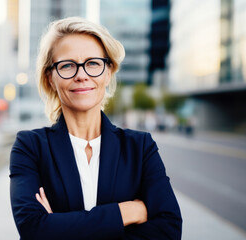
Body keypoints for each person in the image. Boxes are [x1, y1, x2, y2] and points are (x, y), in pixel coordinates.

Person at [10, 17, 182, 240]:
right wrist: (126, 212)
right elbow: (34, 230)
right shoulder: (30, 147)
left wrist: (59, 227)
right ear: (50, 78)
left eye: (93, 63)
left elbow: (169, 231)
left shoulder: (140, 147)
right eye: (67, 65)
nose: (81, 75)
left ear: (108, 72)